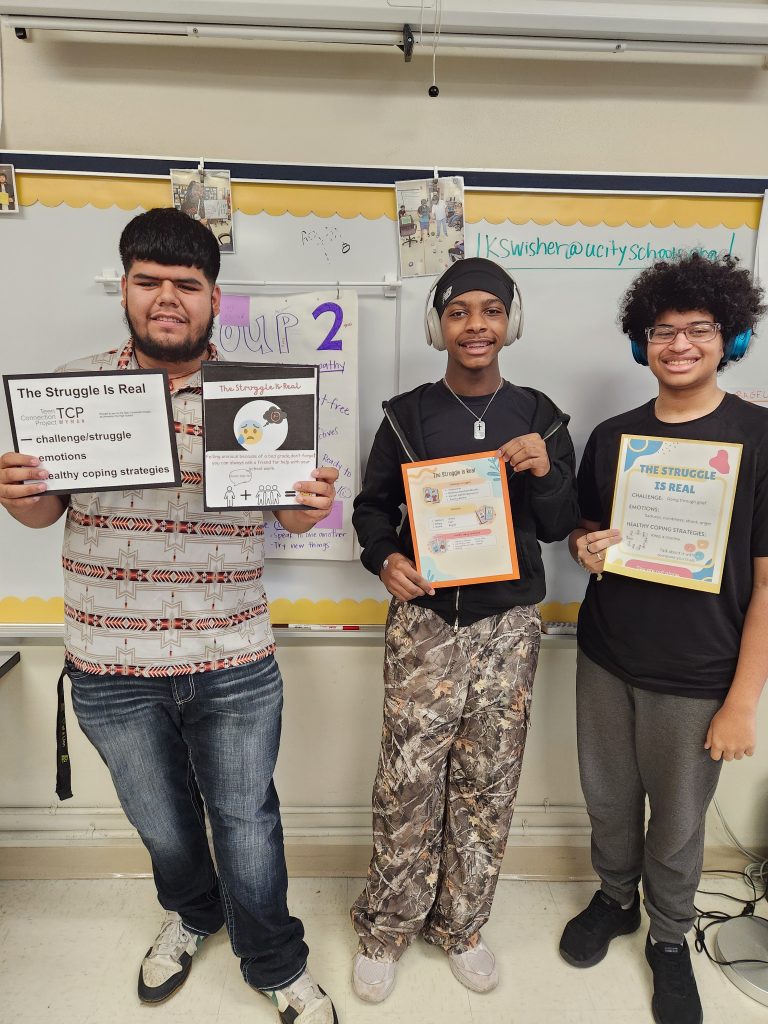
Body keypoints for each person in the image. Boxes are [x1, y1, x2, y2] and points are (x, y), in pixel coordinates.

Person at [0, 207, 339, 1024]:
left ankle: (274, 962)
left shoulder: (259, 401)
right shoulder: (75, 391)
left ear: (214, 300)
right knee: (161, 823)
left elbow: (288, 519)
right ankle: (193, 914)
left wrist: (308, 503)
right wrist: (19, 495)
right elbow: (45, 515)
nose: (166, 298)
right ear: (124, 289)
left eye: (186, 285)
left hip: (233, 657)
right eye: (149, 281)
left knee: (248, 824)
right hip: (109, 664)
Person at [350, 257, 580, 1002]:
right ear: (437, 324)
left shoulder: (542, 416)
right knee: (407, 780)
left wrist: (546, 471)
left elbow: (558, 526)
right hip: (424, 622)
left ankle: (463, 924)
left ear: (512, 319)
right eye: (458, 312)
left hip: (508, 624)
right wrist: (384, 557)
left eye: (490, 310)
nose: (475, 325)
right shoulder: (406, 416)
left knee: (488, 782)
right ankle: (386, 927)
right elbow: (372, 507)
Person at [558, 253, 768, 1024]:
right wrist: (583, 547)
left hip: (700, 671)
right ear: (641, 342)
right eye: (662, 331)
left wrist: (743, 701)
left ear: (730, 337)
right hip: (607, 655)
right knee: (609, 801)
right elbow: (588, 530)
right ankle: (615, 900)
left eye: (698, 329)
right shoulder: (615, 437)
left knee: (678, 821)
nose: (678, 344)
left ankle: (671, 938)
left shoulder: (760, 436)